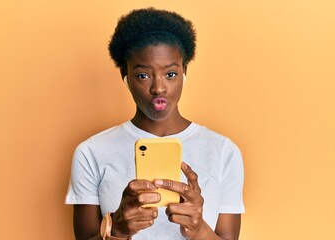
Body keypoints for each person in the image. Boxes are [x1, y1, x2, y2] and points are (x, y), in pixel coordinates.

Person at [65, 7, 245, 240]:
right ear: (126, 77)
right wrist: (117, 230)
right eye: (143, 75)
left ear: (184, 72)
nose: (158, 88)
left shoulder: (223, 151)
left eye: (170, 74)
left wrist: (199, 229)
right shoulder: (91, 152)